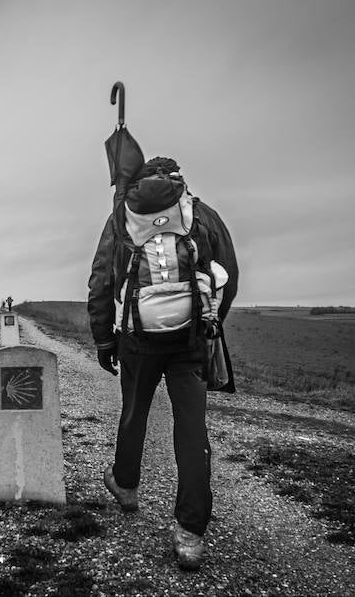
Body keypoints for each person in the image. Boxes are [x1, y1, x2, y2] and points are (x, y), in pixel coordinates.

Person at [87, 156, 238, 570]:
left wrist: (104, 339)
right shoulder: (200, 214)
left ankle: (127, 486)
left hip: (138, 337)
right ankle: (190, 534)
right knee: (191, 430)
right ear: (177, 178)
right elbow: (231, 274)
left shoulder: (124, 216)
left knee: (134, 412)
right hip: (190, 339)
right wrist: (209, 327)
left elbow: (101, 278)